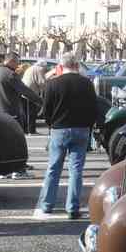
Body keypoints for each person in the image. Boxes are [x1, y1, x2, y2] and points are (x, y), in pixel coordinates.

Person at [35, 52, 98, 219]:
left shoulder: (53, 84)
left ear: (61, 67)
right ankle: (72, 207)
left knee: (53, 168)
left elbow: (46, 110)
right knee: (76, 170)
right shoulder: (87, 84)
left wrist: (51, 124)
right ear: (77, 66)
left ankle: (47, 205)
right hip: (81, 129)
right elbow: (94, 108)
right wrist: (89, 126)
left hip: (59, 129)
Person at [0, 52, 42, 135]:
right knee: (15, 143)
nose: (18, 65)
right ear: (11, 61)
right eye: (17, 63)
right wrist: (41, 101)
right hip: (12, 115)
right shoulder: (11, 74)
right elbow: (25, 91)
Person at [22, 60, 48, 135]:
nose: (45, 69)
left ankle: (28, 130)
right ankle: (30, 130)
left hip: (26, 92)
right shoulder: (39, 69)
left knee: (28, 113)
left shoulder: (32, 68)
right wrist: (47, 87)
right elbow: (41, 82)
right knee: (31, 113)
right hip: (30, 93)